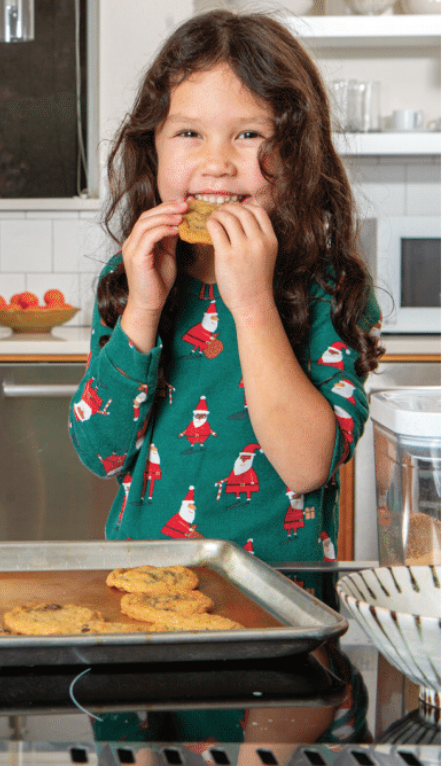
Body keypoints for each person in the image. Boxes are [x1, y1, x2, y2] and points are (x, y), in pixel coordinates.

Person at [69, 10, 383, 563]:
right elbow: (102, 455)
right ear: (154, 149)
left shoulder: (327, 288)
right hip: (148, 597)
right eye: (189, 133)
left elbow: (309, 465)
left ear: (296, 154)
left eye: (249, 134)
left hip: (282, 605)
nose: (217, 164)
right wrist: (143, 309)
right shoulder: (132, 282)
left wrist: (253, 303)